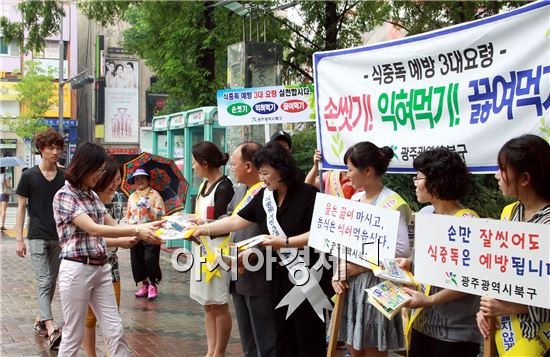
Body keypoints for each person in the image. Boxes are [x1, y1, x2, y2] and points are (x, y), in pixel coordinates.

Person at [192, 141, 333, 357]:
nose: (262, 178)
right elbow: (235, 221)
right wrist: (204, 229)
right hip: (277, 280)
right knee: (283, 341)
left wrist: (284, 243)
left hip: (307, 278)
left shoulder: (308, 195)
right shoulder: (266, 197)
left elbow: (320, 234)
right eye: (260, 173)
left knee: (308, 339)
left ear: (281, 169)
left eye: (265, 172)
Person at [52, 142, 163, 357]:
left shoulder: (91, 196)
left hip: (101, 268)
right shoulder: (65, 196)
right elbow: (94, 229)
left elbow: (114, 226)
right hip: (76, 270)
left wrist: (141, 229)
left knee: (115, 329)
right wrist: (138, 231)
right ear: (85, 167)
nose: (100, 177)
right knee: (73, 335)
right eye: (98, 171)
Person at [397, 148, 481, 357]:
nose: (415, 183)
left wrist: (430, 301)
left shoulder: (468, 222)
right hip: (421, 324)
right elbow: (430, 260)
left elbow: (469, 280)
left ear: (437, 180)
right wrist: (409, 261)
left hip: (454, 333)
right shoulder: (426, 214)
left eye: (419, 177)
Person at [331, 141, 411, 357]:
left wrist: (360, 267)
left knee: (373, 349)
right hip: (350, 285)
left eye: (350, 170)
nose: (347, 176)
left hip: (377, 286)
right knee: (353, 346)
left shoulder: (392, 203)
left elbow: (401, 254)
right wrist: (339, 271)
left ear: (368, 170)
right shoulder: (356, 199)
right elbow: (343, 240)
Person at [476, 134, 550, 356]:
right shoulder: (509, 213)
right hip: (499, 330)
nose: (497, 176)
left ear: (525, 178)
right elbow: (497, 270)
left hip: (537, 336)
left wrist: (510, 307)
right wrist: (486, 309)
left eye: (502, 170)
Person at [82, 157, 138, 357]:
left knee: (111, 319)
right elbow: (91, 237)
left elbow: (117, 224)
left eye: (119, 179)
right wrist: (121, 239)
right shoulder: (88, 200)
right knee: (88, 319)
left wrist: (133, 228)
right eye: (113, 179)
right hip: (87, 266)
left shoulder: (117, 199)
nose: (116, 184)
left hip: (111, 267)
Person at [15, 128, 65, 348]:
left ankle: (39, 320)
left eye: (58, 148)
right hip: (36, 236)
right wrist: (19, 239)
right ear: (41, 150)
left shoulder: (65, 176)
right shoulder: (29, 176)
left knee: (52, 281)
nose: (55, 152)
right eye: (50, 148)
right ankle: (52, 327)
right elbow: (21, 208)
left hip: (59, 237)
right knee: (44, 280)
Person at [227, 142, 277, 357]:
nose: (231, 168)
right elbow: (229, 218)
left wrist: (254, 252)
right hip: (239, 276)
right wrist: (203, 224)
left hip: (261, 276)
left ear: (249, 166)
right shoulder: (240, 191)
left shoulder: (268, 194)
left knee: (266, 341)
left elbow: (277, 236)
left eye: (234, 164)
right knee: (248, 342)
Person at [190, 141, 234, 357]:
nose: (193, 167)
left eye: (194, 163)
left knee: (219, 303)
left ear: (205, 163)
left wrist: (200, 226)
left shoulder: (225, 187)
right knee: (208, 304)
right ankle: (210, 351)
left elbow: (222, 224)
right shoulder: (203, 185)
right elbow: (202, 217)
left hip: (217, 254)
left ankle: (219, 352)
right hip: (201, 251)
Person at [126, 168, 165, 300]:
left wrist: (149, 207)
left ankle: (153, 284)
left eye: (142, 178)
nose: (140, 181)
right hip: (136, 232)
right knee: (137, 260)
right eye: (137, 179)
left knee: (150, 259)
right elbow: (128, 215)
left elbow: (161, 215)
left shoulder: (155, 195)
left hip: (151, 232)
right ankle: (144, 284)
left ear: (148, 180)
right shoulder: (132, 196)